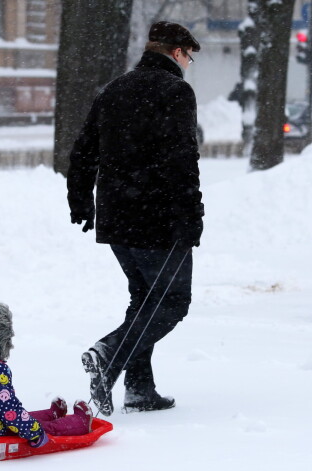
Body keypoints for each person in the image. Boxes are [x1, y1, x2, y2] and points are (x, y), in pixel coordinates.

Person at [66, 21, 204, 416]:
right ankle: (109, 354)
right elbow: (183, 159)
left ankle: (139, 388)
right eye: (188, 56)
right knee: (173, 302)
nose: (188, 63)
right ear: (177, 53)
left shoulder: (114, 89)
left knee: (144, 299)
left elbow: (83, 151)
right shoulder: (175, 91)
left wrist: (81, 201)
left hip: (117, 217)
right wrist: (191, 215)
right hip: (159, 218)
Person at [0, 298, 93, 447]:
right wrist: (35, 433)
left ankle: (51, 415)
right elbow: (10, 412)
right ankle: (80, 424)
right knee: (32, 425)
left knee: (22, 417)